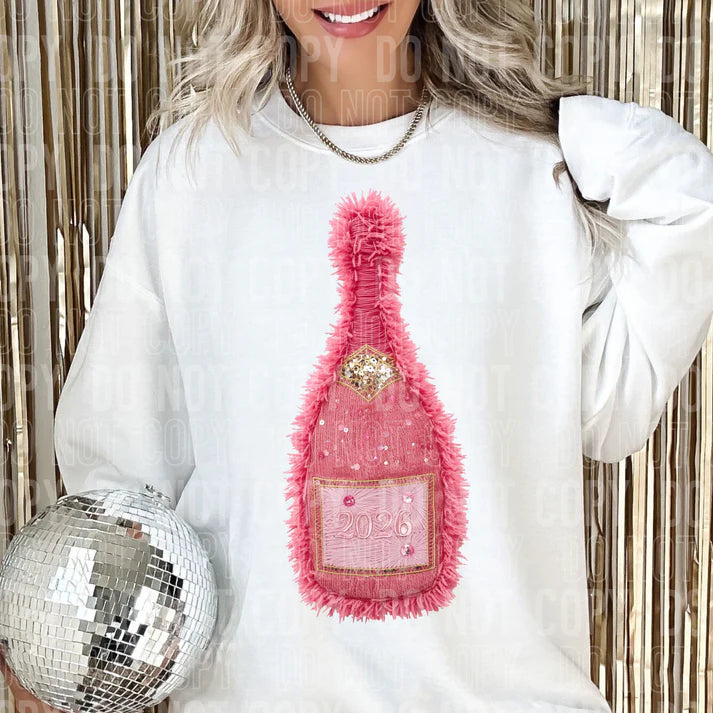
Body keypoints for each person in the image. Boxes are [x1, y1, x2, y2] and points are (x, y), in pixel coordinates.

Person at [5, 0, 713, 711]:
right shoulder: (191, 172)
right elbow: (120, 480)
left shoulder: (535, 168)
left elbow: (613, 414)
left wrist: (572, 126)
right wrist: (63, 645)